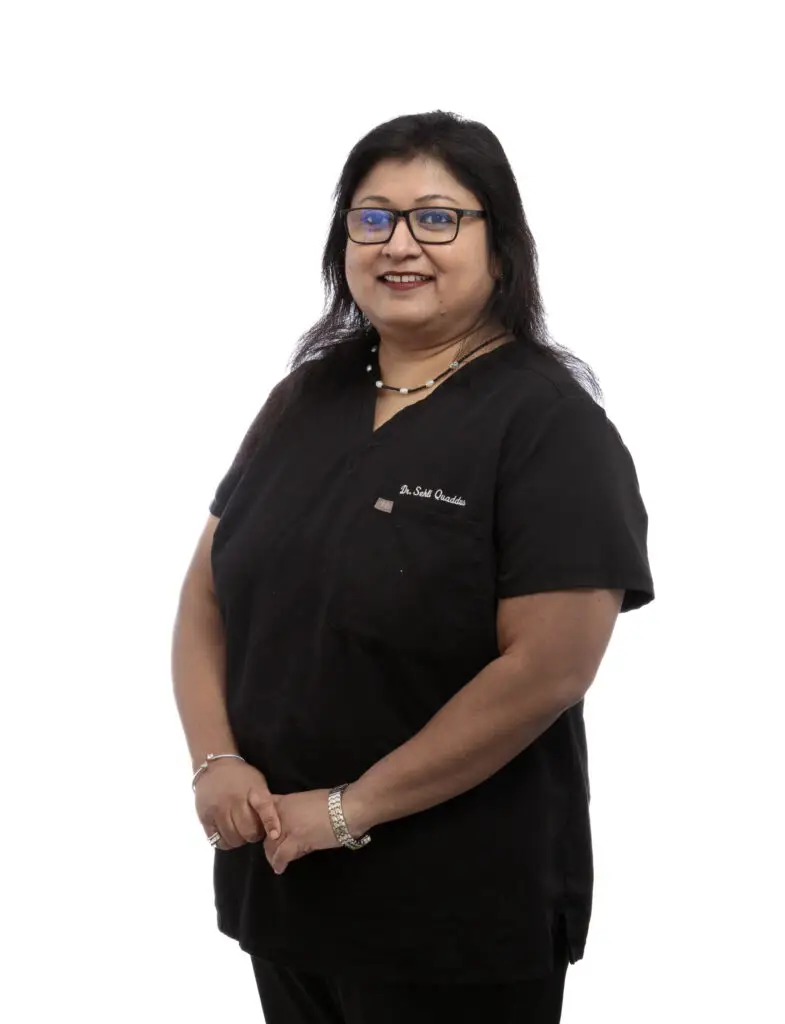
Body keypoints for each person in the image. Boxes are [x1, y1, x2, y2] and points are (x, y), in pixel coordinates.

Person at [172, 110, 655, 1024]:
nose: (399, 244)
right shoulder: (306, 396)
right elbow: (207, 589)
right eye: (372, 218)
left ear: (499, 245)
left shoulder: (549, 426)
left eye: (436, 217)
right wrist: (215, 759)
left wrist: (347, 810)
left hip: (453, 914)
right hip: (282, 881)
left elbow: (548, 667)